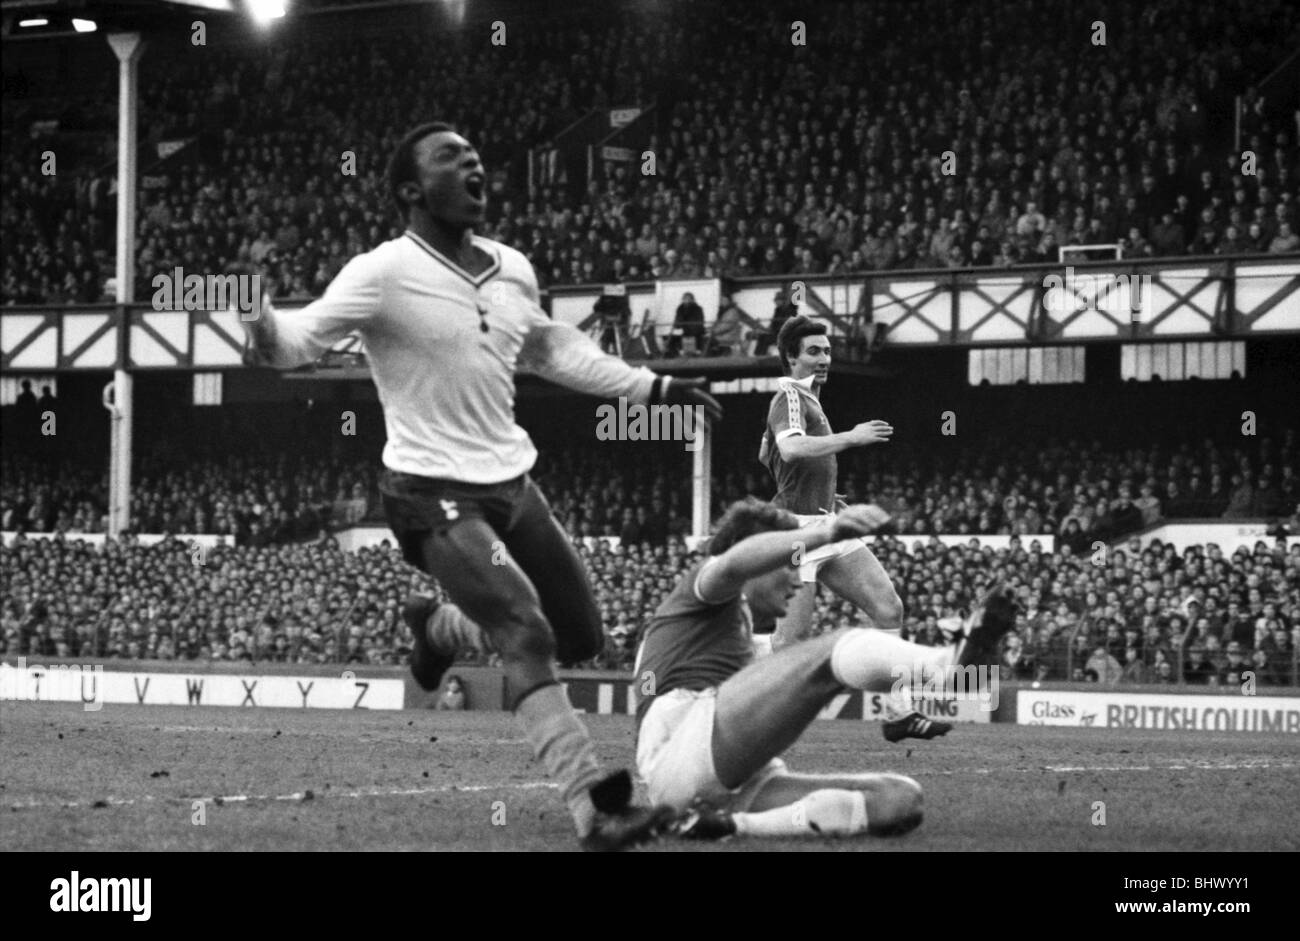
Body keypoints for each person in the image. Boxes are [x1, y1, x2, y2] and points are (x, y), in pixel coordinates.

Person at [240, 122, 721, 852]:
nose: (474, 165)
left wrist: (650, 386)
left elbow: (553, 348)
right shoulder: (381, 272)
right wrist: (256, 311)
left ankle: (441, 628)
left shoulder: (512, 269)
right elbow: (293, 343)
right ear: (411, 189)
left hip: (511, 483)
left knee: (582, 634)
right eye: (451, 158)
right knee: (525, 629)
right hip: (429, 487)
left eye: (476, 157)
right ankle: (594, 807)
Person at [632, 499, 1020, 840]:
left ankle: (719, 826)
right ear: (759, 558)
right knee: (834, 649)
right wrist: (830, 530)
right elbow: (733, 563)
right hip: (679, 751)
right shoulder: (703, 591)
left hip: (728, 778)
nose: (798, 580)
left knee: (898, 800)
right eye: (789, 564)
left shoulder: (738, 633)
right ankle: (944, 666)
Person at [758, 315, 946, 742]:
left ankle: (900, 713)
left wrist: (822, 493)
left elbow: (768, 451)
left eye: (827, 351)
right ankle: (748, 714)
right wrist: (852, 437)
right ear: (791, 357)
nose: (825, 358)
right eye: (814, 351)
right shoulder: (789, 396)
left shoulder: (810, 400)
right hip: (798, 533)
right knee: (791, 643)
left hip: (828, 522)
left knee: (888, 607)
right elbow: (789, 447)